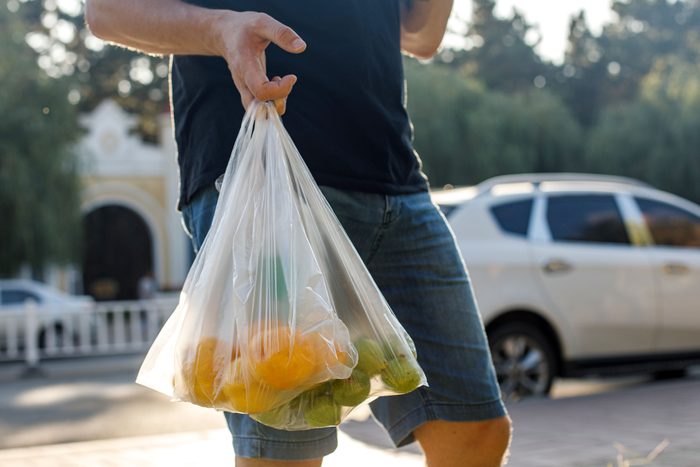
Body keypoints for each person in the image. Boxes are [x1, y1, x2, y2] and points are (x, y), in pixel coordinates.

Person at [85, 1, 512, 465]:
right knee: (284, 455)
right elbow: (107, 12)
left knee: (475, 429)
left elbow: (420, 37)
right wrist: (220, 28)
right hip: (261, 183)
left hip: (393, 174)